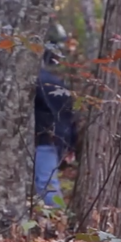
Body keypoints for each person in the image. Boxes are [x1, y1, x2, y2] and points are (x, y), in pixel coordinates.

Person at [33, 47, 76, 207]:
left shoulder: (34, 83)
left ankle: (55, 217)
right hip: (59, 137)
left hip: (44, 138)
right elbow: (69, 116)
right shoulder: (58, 84)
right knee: (45, 180)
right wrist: (71, 142)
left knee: (47, 182)